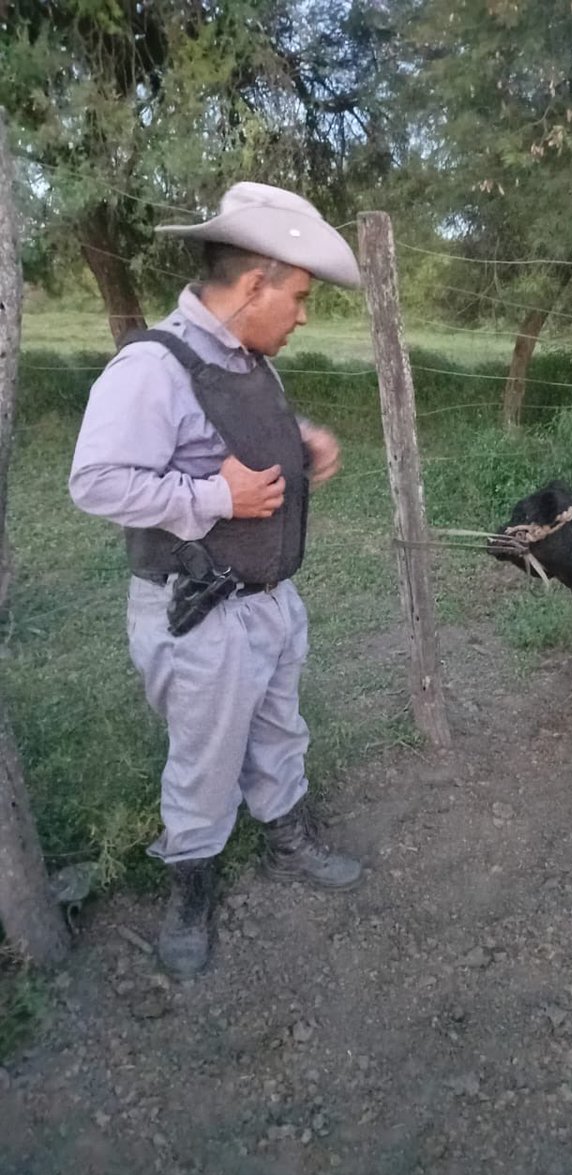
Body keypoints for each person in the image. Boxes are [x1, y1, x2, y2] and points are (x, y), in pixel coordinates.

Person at [69, 181, 364, 980]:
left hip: (269, 600)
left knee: (278, 730)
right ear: (255, 283)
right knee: (204, 758)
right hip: (201, 613)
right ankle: (190, 885)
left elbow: (230, 433)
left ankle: (285, 832)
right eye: (298, 296)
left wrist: (301, 439)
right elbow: (94, 480)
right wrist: (213, 499)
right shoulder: (152, 365)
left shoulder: (244, 357)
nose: (303, 313)